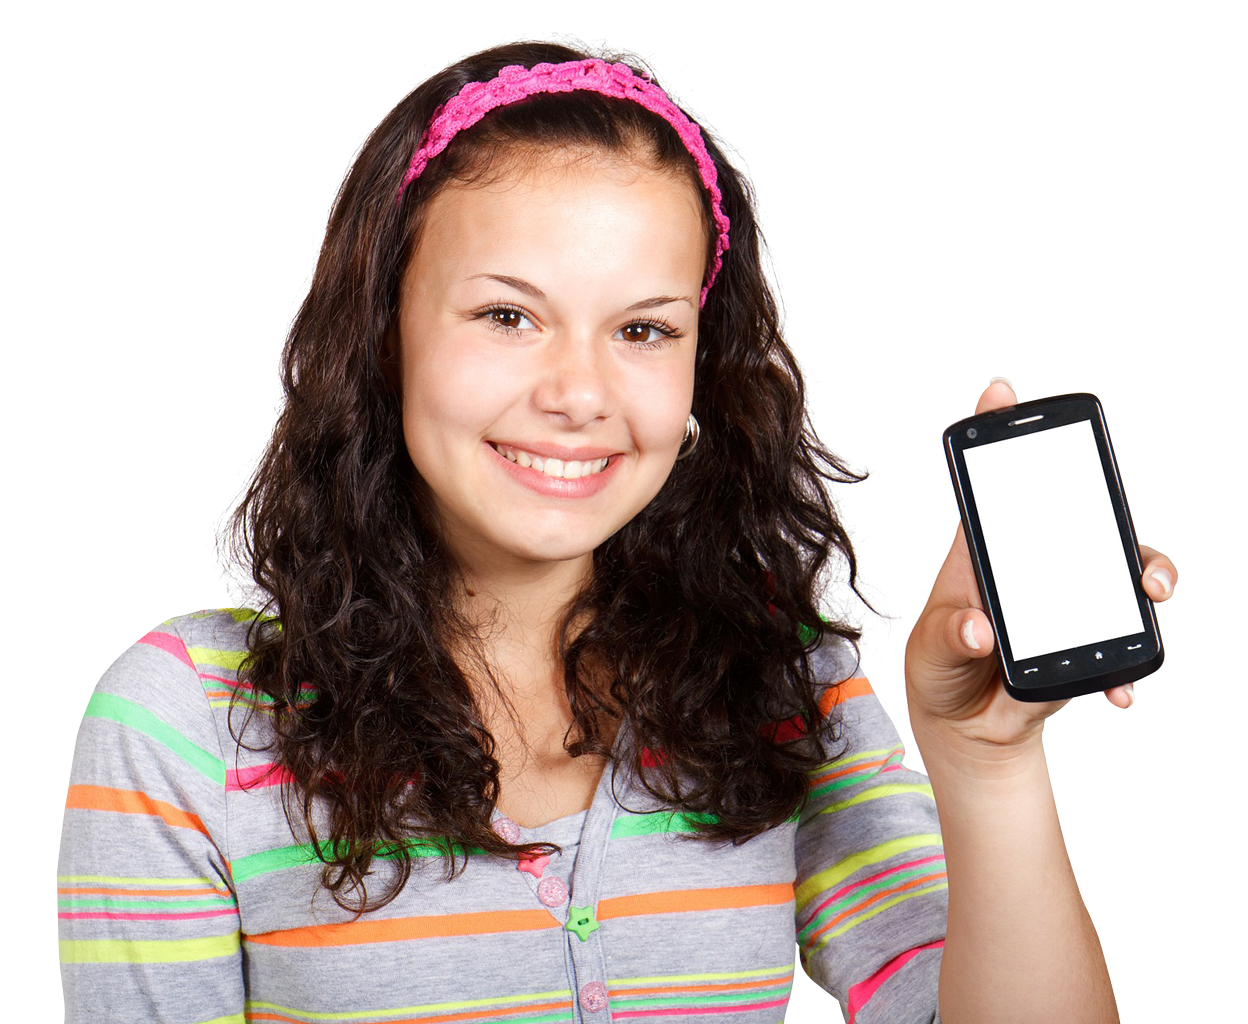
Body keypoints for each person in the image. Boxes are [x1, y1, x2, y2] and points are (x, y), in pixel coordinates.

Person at [57, 31, 1177, 1024]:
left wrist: (987, 766)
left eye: (643, 329)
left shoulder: (782, 677)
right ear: (380, 329)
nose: (580, 392)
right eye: (507, 315)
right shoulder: (184, 728)